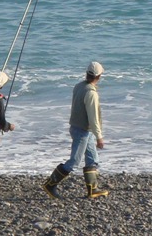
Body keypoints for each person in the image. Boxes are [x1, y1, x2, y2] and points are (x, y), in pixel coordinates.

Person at [43, 61, 109, 199]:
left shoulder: (79, 86)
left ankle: (93, 189)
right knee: (74, 162)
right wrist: (99, 137)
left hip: (77, 127)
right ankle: (50, 184)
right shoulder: (91, 93)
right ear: (99, 76)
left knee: (92, 159)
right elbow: (93, 118)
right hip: (83, 130)